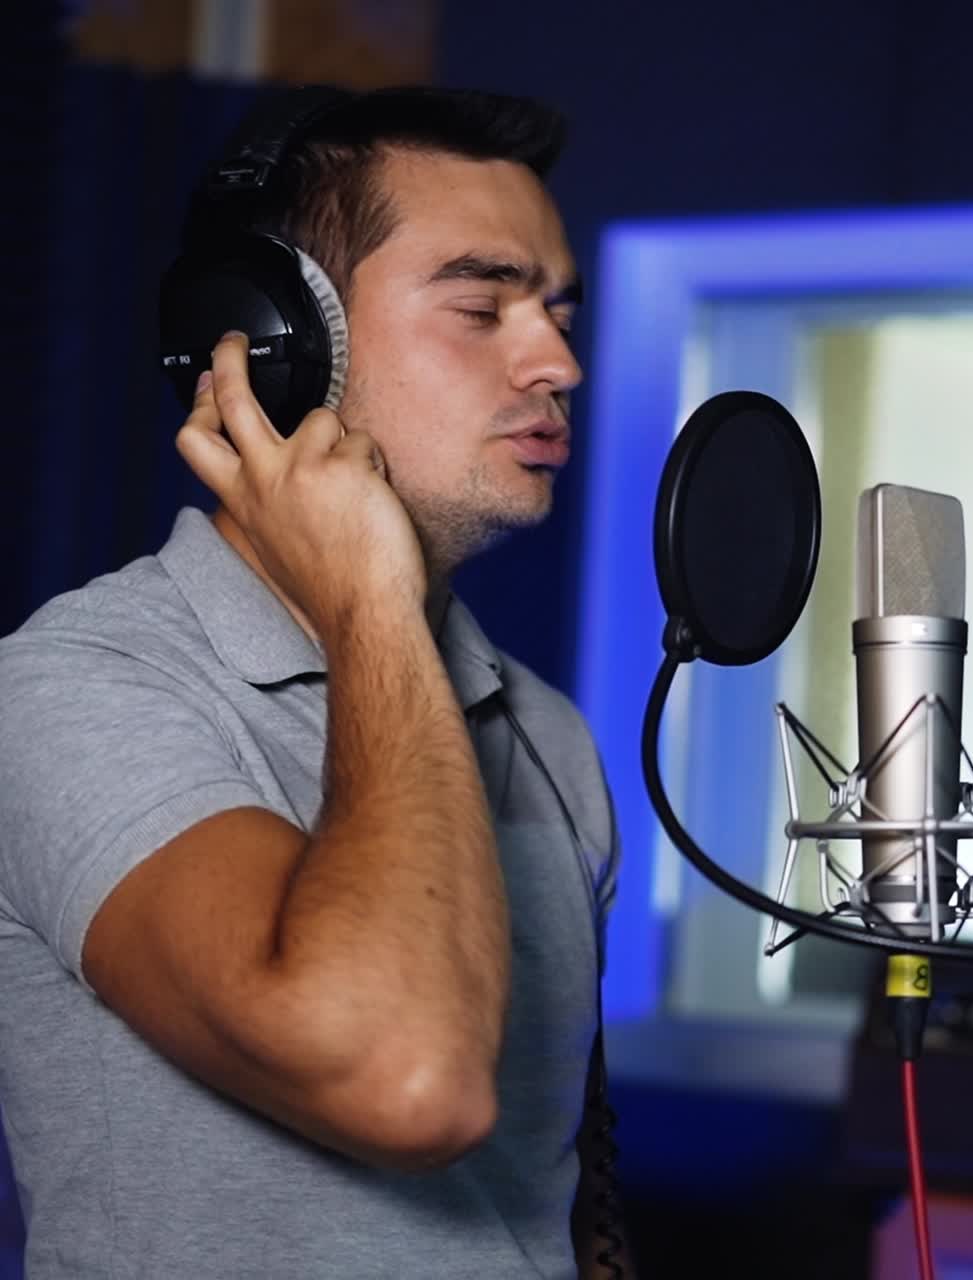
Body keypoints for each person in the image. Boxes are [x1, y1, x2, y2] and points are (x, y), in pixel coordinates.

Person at [0, 85, 626, 1278]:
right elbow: (408, 1079)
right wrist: (370, 601)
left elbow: (564, 1204)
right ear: (271, 337)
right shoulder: (68, 690)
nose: (557, 361)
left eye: (553, 311)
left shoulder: (547, 734)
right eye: (482, 305)